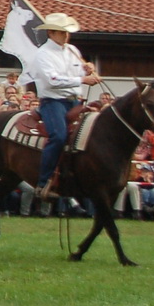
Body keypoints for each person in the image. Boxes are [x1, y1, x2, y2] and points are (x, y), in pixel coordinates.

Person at [33, 13, 99, 201]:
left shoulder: (72, 50)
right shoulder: (42, 54)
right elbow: (52, 80)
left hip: (74, 100)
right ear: (51, 33)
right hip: (53, 102)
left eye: (67, 32)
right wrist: (83, 79)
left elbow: (78, 70)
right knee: (59, 136)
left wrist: (87, 69)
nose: (66, 36)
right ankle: (43, 182)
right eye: (62, 32)